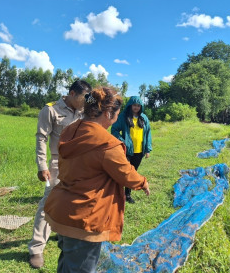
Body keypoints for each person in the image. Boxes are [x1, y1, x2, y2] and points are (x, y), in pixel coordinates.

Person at [44, 87, 150, 273]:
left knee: (67, 262)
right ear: (108, 113)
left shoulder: (70, 130)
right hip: (86, 217)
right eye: (116, 114)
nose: (116, 118)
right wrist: (142, 182)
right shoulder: (106, 144)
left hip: (63, 209)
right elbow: (125, 173)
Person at [28, 80, 92, 269]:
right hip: (58, 163)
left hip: (79, 164)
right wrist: (41, 165)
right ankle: (36, 249)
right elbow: (41, 137)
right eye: (83, 98)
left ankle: (62, 234)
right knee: (49, 204)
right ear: (72, 93)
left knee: (72, 201)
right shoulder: (51, 110)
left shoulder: (84, 112)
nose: (85, 102)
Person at [111, 96, 152, 204]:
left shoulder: (144, 118)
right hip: (127, 151)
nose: (136, 107)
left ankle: (127, 194)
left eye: (138, 106)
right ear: (130, 105)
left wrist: (147, 149)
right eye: (134, 105)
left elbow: (148, 134)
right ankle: (117, 194)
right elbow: (114, 130)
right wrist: (122, 141)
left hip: (139, 152)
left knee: (133, 173)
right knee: (123, 173)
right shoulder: (123, 117)